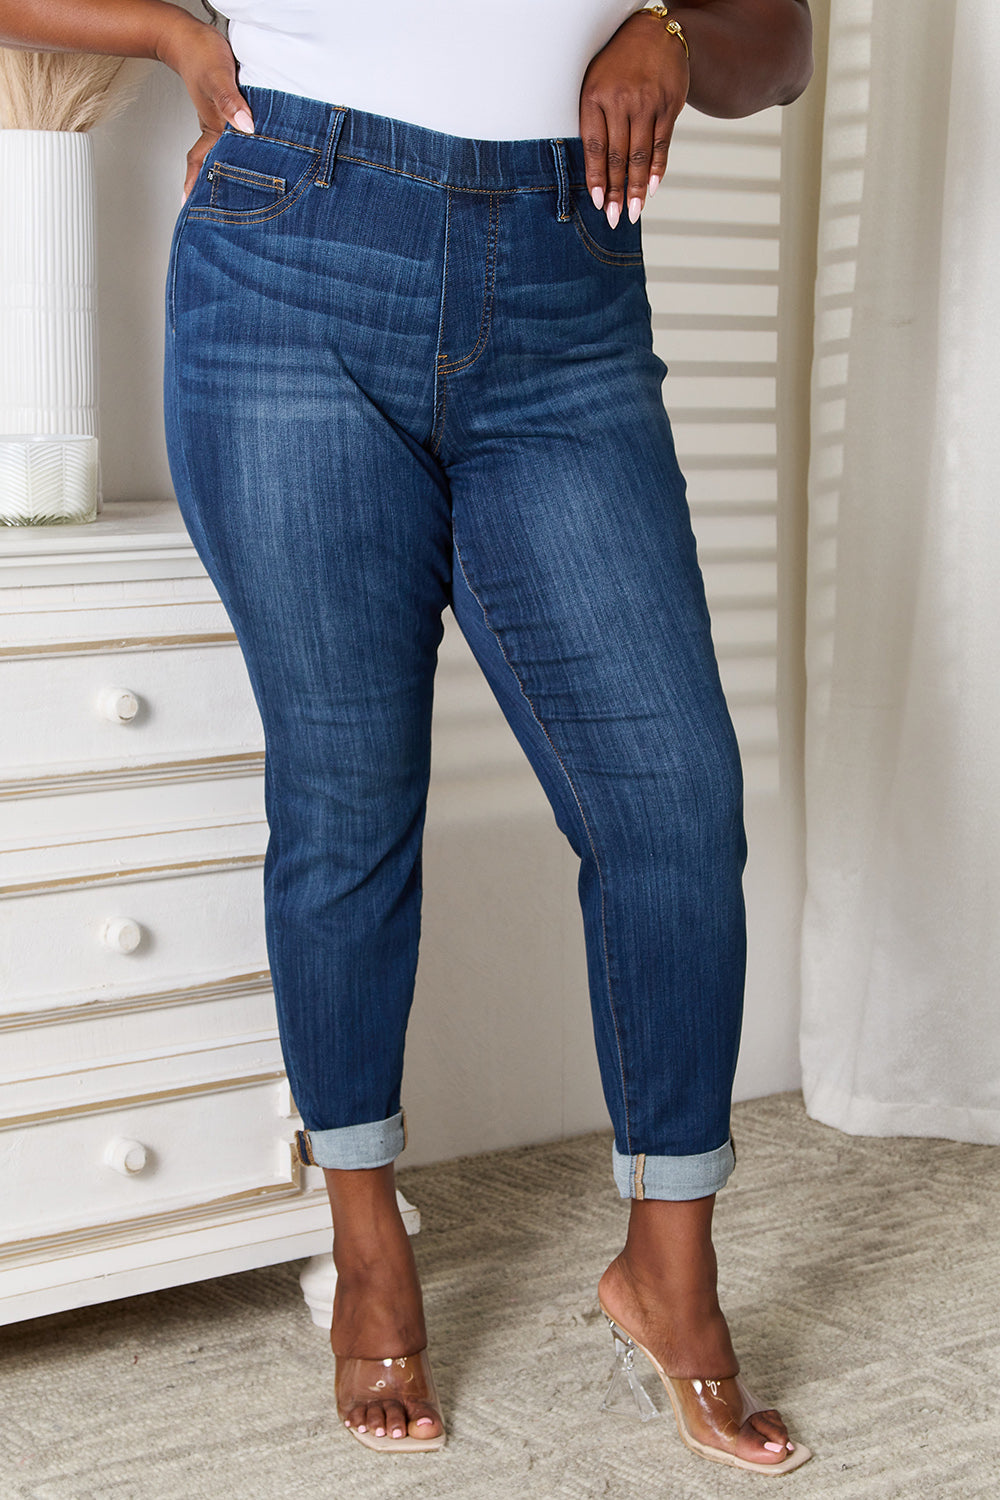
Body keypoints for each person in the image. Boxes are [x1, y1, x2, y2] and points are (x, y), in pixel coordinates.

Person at [1, 0, 814, 1473]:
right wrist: (177, 37)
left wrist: (681, 38)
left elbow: (786, 44)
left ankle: (670, 1276)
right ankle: (366, 1232)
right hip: (290, 259)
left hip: (566, 287)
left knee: (674, 803)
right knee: (348, 796)